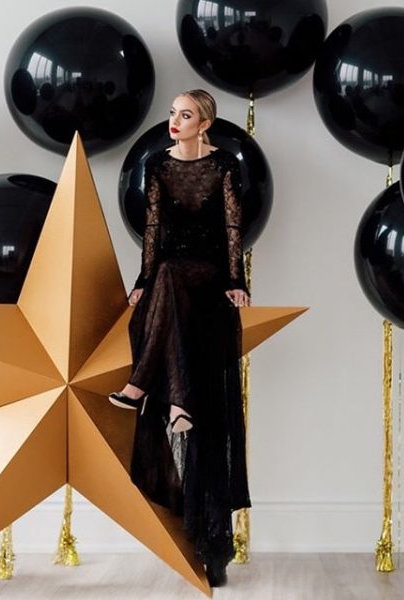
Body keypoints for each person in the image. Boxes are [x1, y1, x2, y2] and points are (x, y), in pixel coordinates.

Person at [109, 89, 251, 587]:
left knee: (170, 274)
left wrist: (236, 280)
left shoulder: (225, 164)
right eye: (173, 113)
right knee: (164, 274)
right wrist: (142, 281)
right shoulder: (157, 165)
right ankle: (179, 403)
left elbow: (232, 226)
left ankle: (142, 386)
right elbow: (152, 229)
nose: (174, 121)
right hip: (169, 279)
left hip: (208, 275)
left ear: (204, 123)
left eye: (185, 115)